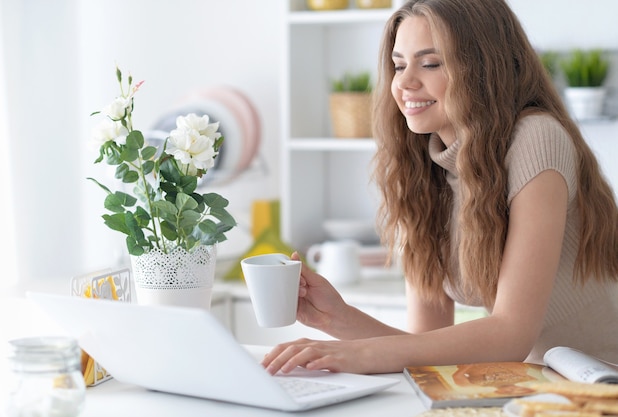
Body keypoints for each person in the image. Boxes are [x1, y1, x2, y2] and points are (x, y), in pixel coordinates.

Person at [262, 0, 618, 375]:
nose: (404, 82)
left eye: (430, 63)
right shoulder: (420, 170)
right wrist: (337, 320)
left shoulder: (536, 139)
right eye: (399, 65)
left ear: (484, 69)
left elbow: (512, 334)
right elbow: (424, 342)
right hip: (538, 387)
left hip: (603, 382)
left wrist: (362, 354)